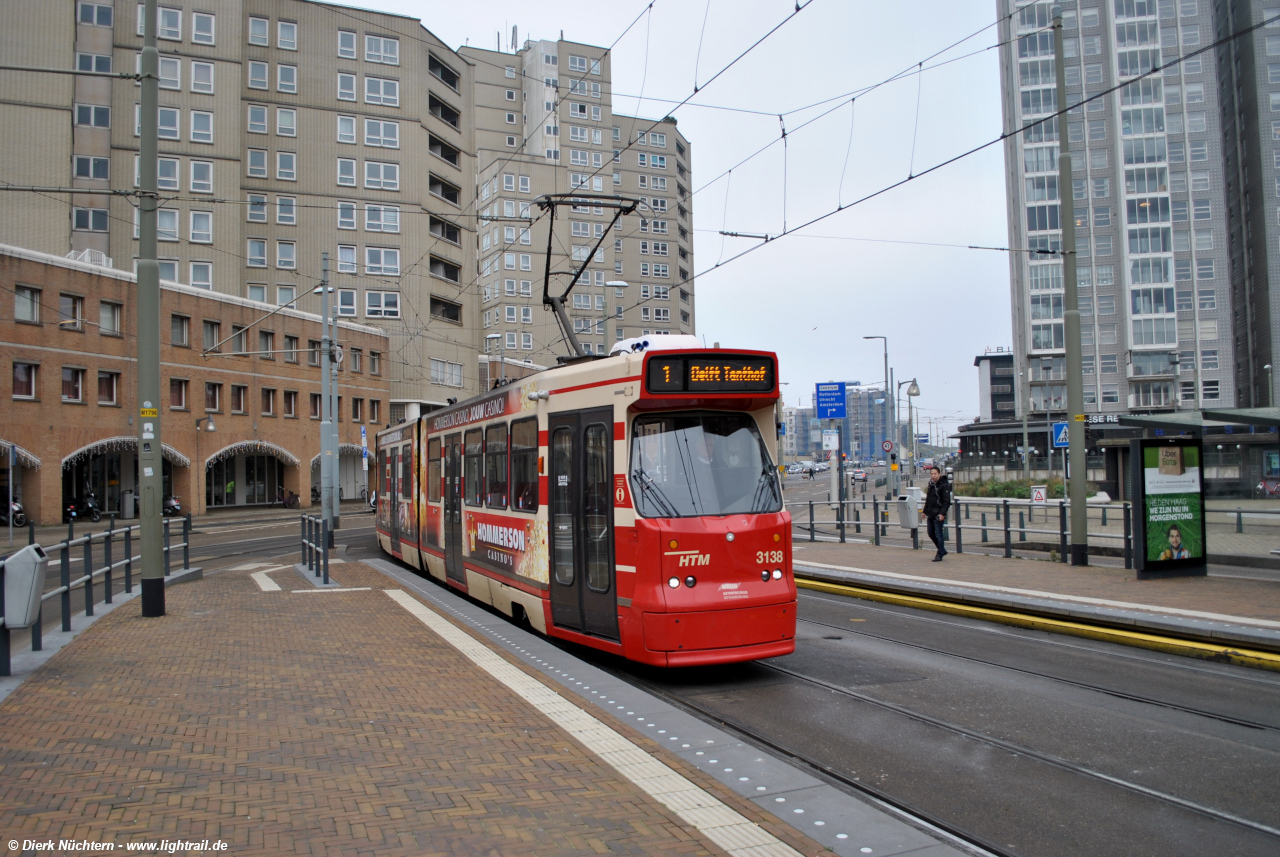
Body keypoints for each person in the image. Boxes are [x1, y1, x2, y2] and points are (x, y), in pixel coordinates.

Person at [922, 465, 952, 561]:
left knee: (938, 533)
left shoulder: (944, 485)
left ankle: (940, 553)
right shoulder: (931, 484)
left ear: (939, 474)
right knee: (930, 533)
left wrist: (942, 514)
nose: (933, 476)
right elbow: (928, 499)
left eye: (935, 474)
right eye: (931, 474)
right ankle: (942, 549)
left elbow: (946, 501)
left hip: (938, 513)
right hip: (930, 512)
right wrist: (924, 511)